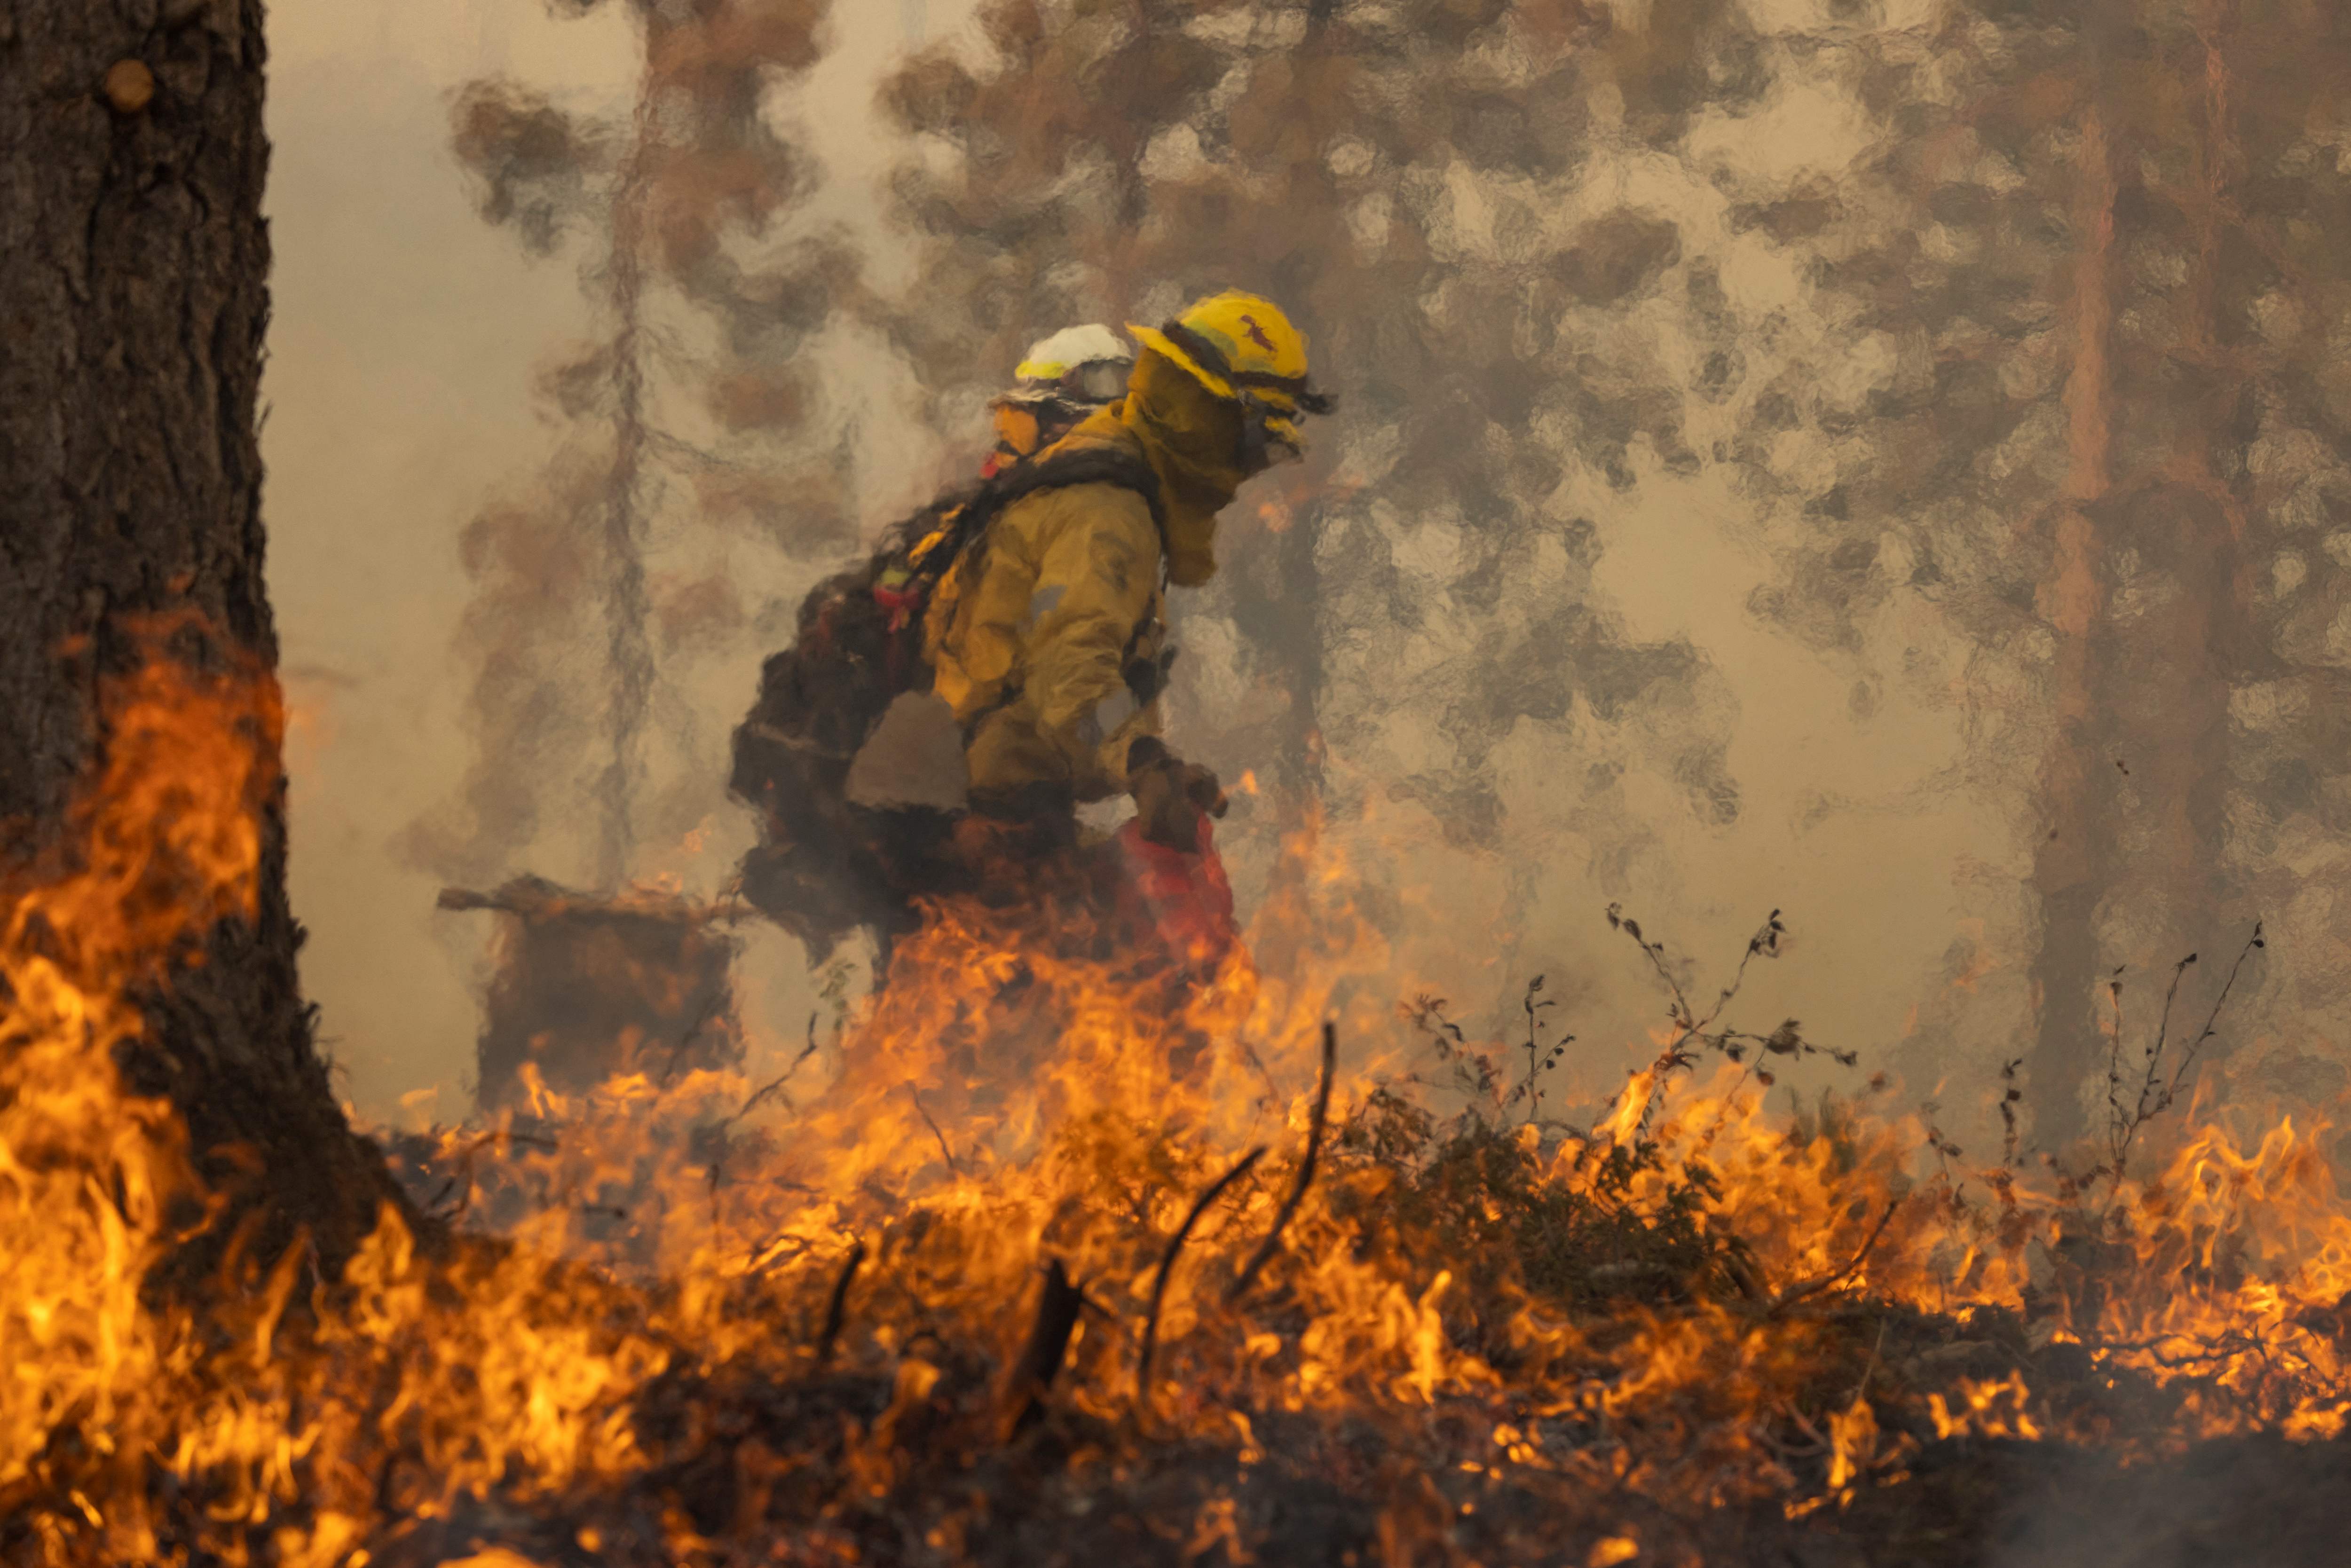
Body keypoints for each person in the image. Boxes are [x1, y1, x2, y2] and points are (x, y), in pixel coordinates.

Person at [731, 292, 1332, 980]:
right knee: (1117, 997)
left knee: (1025, 1015)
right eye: (1258, 443)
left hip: (948, 812)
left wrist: (1148, 762)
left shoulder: (1095, 472)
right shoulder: (1107, 510)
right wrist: (1141, 761)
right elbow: (1070, 671)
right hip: (972, 821)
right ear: (1217, 418)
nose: (1252, 469)